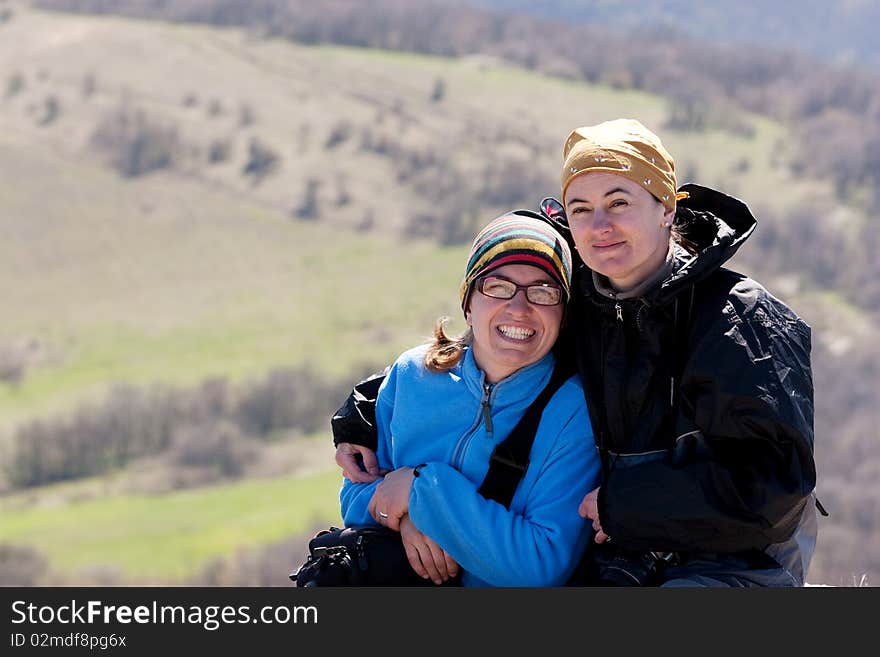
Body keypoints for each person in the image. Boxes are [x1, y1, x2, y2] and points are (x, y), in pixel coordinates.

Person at [336, 118, 820, 587]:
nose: (600, 225)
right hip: (618, 556)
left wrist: (627, 506)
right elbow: (478, 352)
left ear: (666, 208)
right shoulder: (581, 299)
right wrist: (359, 417)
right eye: (581, 208)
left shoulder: (741, 321)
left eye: (618, 202)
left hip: (729, 563)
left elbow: (775, 487)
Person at [338, 211, 601, 587]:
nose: (519, 308)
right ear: (468, 303)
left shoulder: (573, 412)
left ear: (563, 314)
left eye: (543, 291)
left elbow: (542, 562)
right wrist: (407, 518)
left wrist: (422, 491)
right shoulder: (412, 375)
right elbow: (354, 494)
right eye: (497, 286)